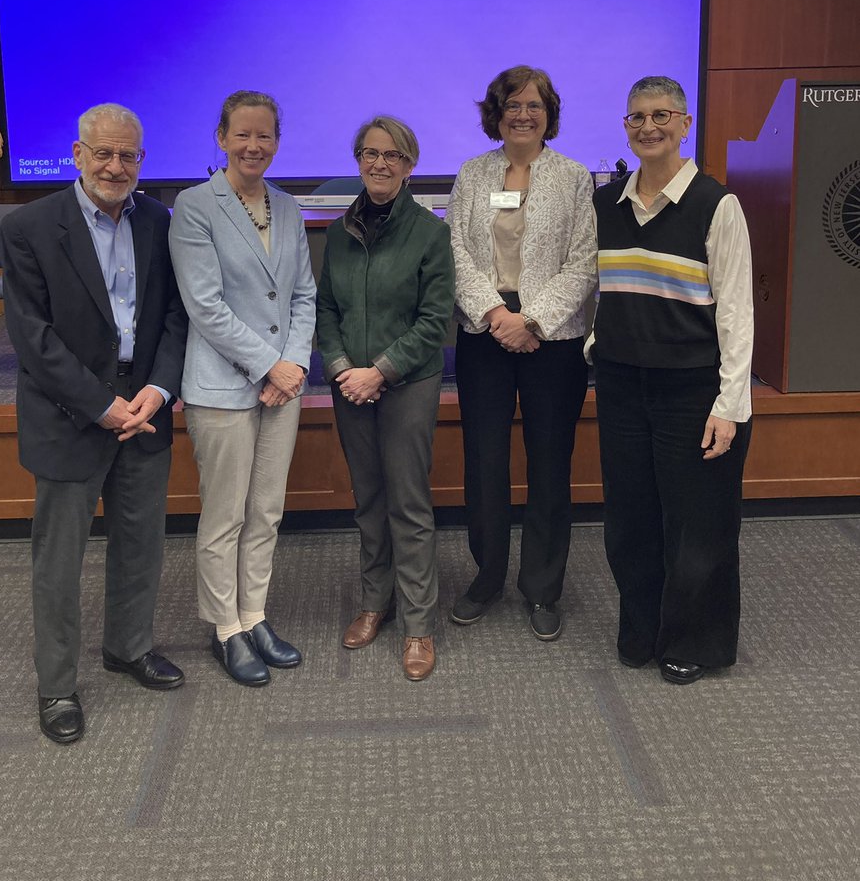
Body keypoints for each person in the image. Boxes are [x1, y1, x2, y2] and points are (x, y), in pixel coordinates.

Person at [1, 103, 187, 745]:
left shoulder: (162, 222)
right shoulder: (28, 226)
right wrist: (100, 405)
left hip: (144, 412)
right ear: (77, 155)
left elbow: (174, 319)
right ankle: (56, 685)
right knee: (58, 561)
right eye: (103, 153)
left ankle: (128, 649)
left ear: (142, 160)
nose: (115, 166)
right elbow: (32, 338)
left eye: (128, 155)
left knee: (141, 543)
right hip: (69, 415)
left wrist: (157, 393)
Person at [590, 75, 753, 684]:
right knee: (630, 517)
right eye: (637, 117)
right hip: (622, 383)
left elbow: (737, 311)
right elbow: (595, 286)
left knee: (697, 521)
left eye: (662, 116)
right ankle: (642, 627)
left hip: (693, 389)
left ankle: (692, 640)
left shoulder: (717, 204)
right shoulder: (606, 203)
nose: (649, 127)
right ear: (625, 127)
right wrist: (595, 341)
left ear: (685, 124)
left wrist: (730, 403)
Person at [169, 91, 315, 687]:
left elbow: (303, 293)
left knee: (266, 511)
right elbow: (204, 305)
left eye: (265, 136)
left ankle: (253, 615)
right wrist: (269, 366)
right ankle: (224, 626)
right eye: (243, 135)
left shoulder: (287, 207)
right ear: (222, 137)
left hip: (284, 386)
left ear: (277, 141)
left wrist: (295, 366)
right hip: (223, 386)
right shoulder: (195, 206)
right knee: (225, 516)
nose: (254, 146)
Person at [446, 65, 596, 641]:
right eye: (513, 105)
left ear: (548, 113)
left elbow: (584, 262)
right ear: (497, 113)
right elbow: (456, 252)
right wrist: (497, 316)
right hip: (486, 335)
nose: (524, 114)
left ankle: (541, 586)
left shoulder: (574, 177)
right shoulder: (472, 174)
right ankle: (486, 578)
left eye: (534, 105)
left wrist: (531, 319)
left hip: (551, 341)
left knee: (549, 464)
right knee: (484, 463)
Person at [316, 116, 454, 682]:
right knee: (368, 500)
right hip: (352, 384)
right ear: (358, 160)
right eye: (370, 154)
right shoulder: (340, 231)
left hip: (407, 384)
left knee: (408, 504)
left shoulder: (429, 231)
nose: (380, 163)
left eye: (392, 155)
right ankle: (377, 602)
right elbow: (325, 310)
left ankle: (418, 623)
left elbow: (435, 319)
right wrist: (344, 367)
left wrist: (382, 371)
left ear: (409, 165)